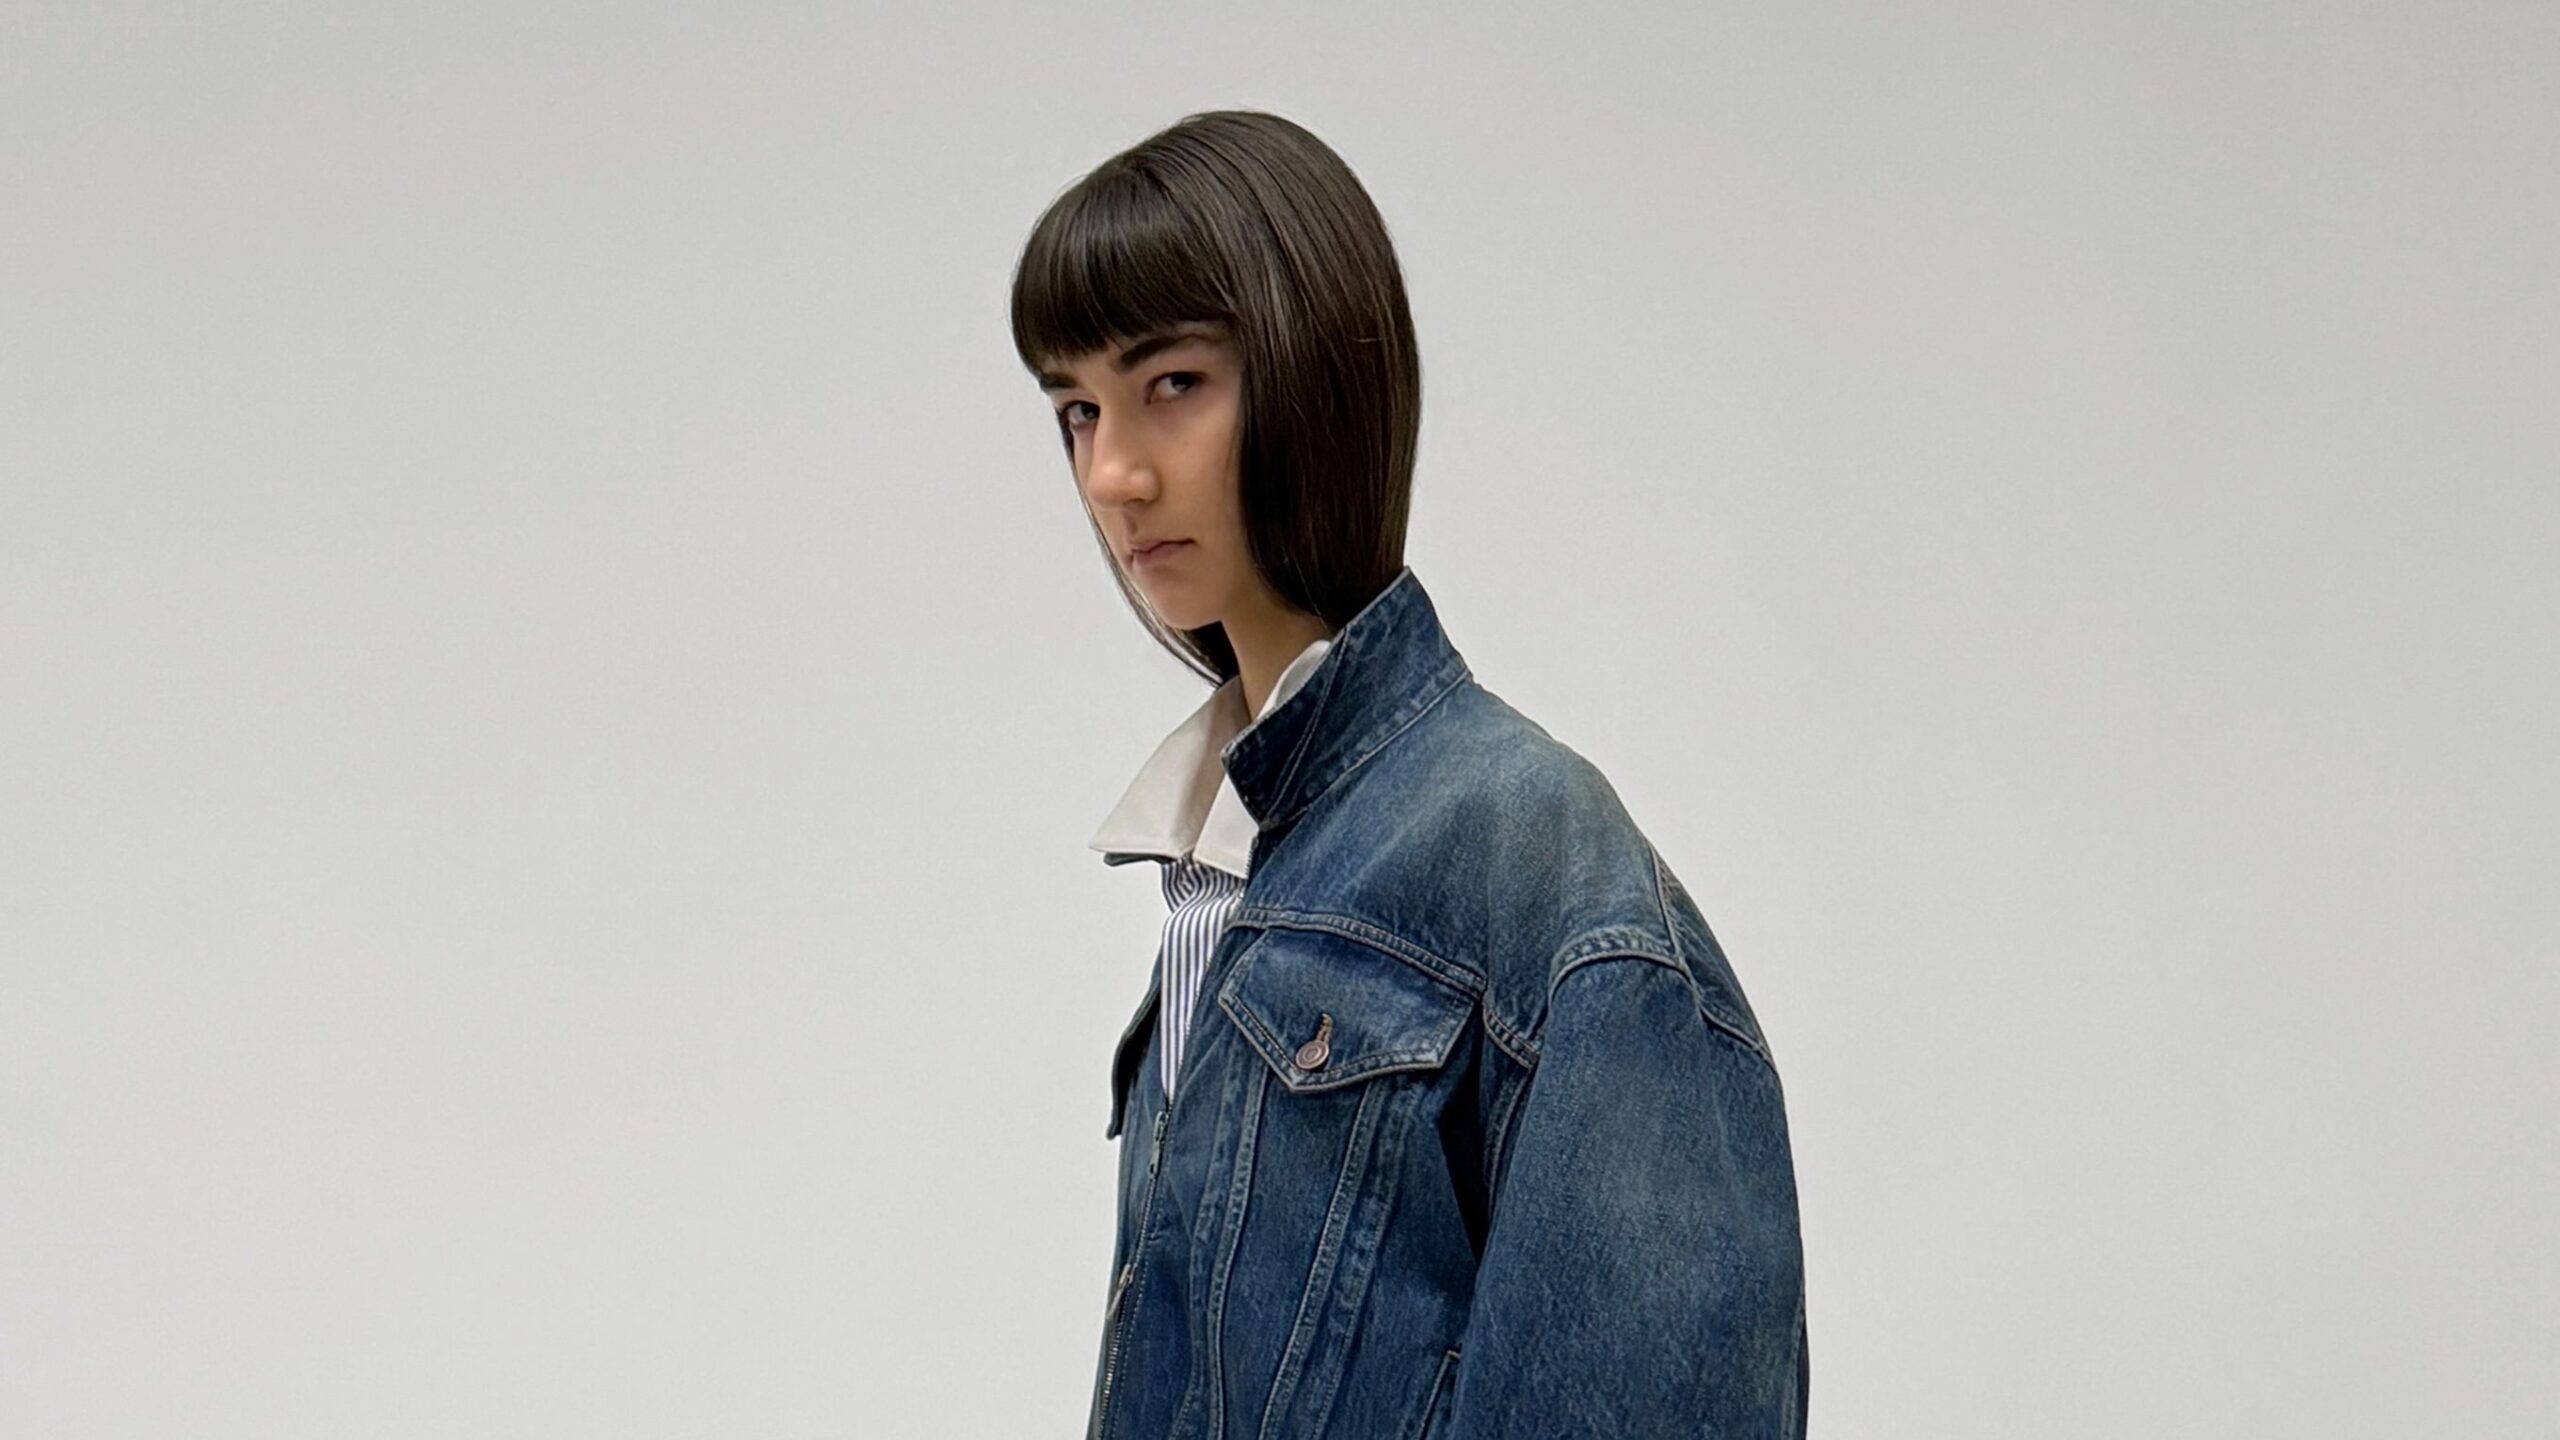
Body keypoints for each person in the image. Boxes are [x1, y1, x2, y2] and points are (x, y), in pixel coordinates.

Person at [1011, 109, 1809, 1440]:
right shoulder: (1218, 859)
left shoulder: (1539, 868)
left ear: (1316, 377)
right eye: (1077, 409)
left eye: (1174, 385)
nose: (1113, 473)